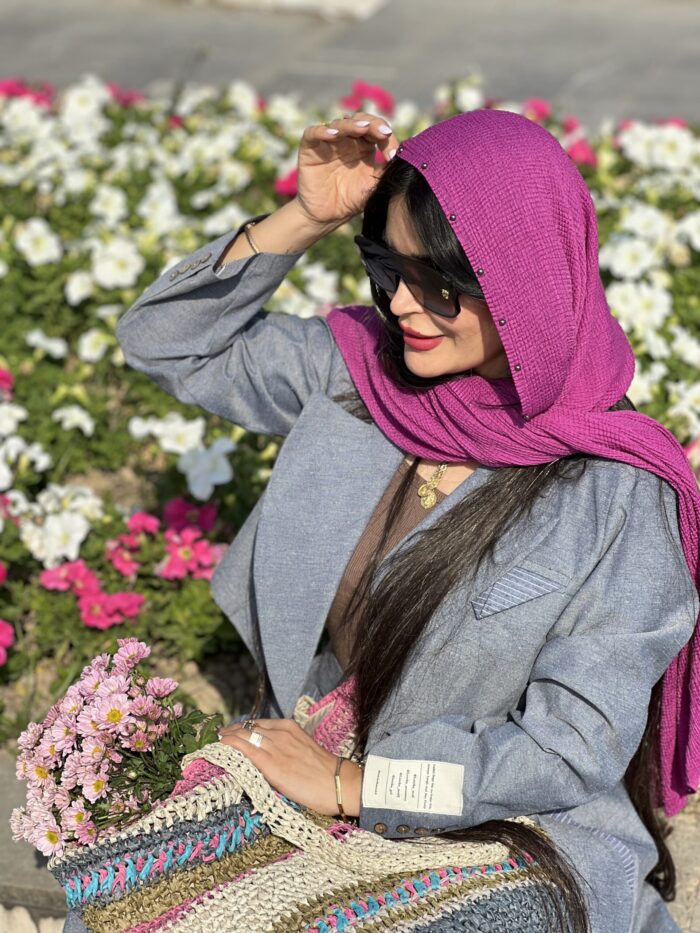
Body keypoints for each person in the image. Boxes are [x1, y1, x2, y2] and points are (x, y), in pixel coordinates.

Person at [86, 108, 700, 932]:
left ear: (525, 283)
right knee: (122, 904)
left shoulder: (615, 490)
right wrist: (305, 216)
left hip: (506, 832)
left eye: (438, 282)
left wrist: (357, 783)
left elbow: (565, 752)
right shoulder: (362, 379)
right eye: (385, 268)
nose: (404, 304)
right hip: (310, 772)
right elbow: (166, 343)